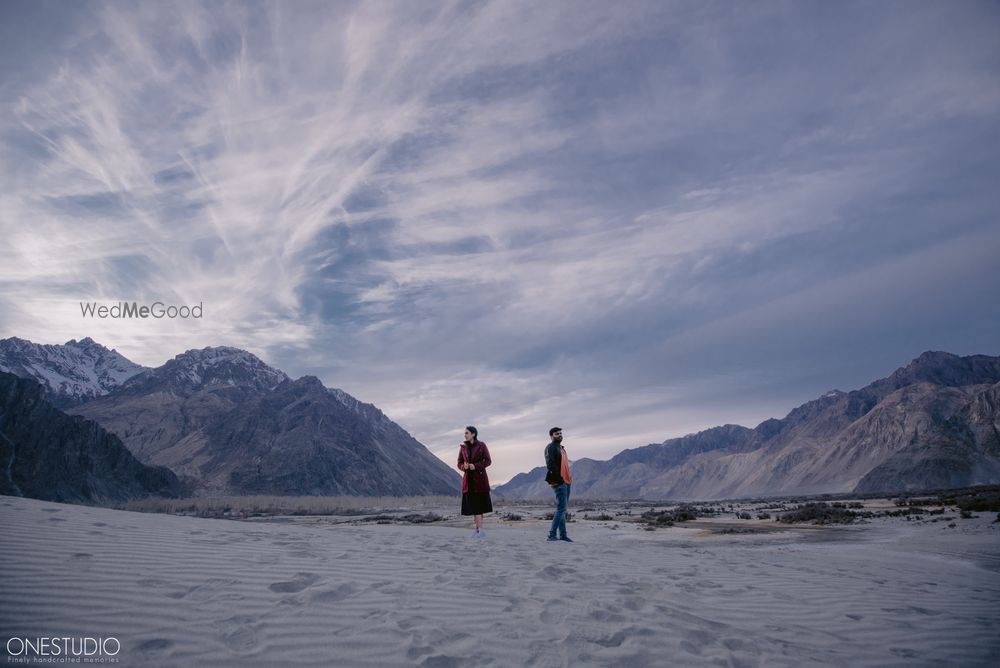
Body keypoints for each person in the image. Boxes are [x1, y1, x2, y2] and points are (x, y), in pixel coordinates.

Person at [457, 426, 493, 538]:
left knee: (478, 507)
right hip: (468, 481)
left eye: (467, 433)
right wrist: (465, 466)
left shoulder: (482, 445)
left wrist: (475, 466)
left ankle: (480, 531)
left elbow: (488, 461)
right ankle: (478, 530)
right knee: (475, 507)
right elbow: (459, 463)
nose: (465, 435)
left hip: (480, 480)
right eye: (465, 433)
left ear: (473, 434)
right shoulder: (462, 448)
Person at [544, 427, 573, 542]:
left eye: (560, 433)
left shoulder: (561, 448)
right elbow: (550, 465)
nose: (560, 435)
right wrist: (559, 479)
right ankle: (551, 535)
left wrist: (568, 478)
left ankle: (563, 535)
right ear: (551, 436)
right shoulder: (550, 447)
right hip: (559, 482)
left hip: (567, 482)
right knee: (561, 508)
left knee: (563, 509)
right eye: (557, 434)